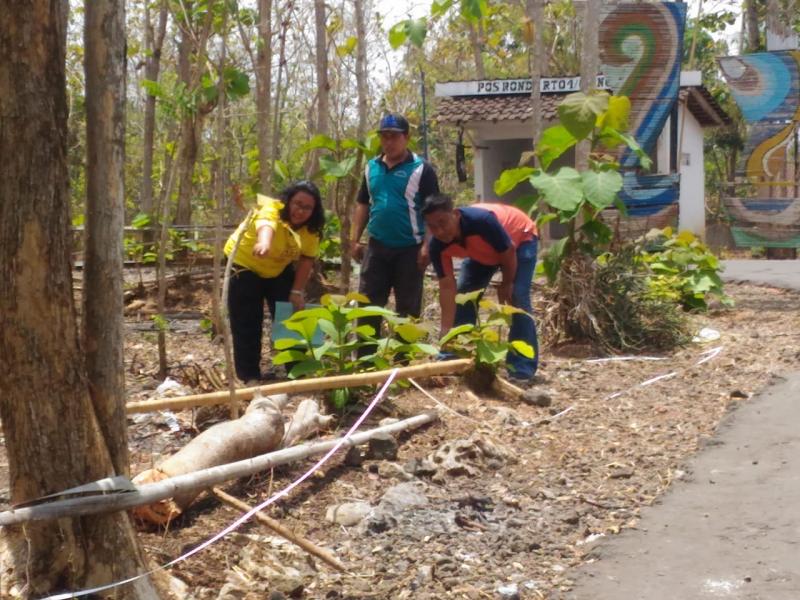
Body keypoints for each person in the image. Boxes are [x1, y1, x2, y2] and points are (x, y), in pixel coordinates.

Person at [422, 194, 539, 382]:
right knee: (464, 298)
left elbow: (507, 250)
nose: (440, 231)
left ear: (455, 215)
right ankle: (453, 356)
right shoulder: (437, 245)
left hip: (520, 238)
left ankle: (521, 368)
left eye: (443, 223)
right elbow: (446, 287)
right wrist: (445, 333)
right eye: (433, 227)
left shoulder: (481, 221)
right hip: (481, 254)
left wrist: (507, 283)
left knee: (517, 298)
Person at [224, 181, 325, 383]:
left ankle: (299, 370)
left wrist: (297, 291)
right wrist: (264, 242)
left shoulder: (311, 230)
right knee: (247, 320)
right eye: (297, 204)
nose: (300, 211)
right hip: (244, 265)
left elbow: (307, 258)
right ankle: (249, 376)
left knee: (291, 314)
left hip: (278, 268)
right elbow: (266, 225)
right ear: (288, 201)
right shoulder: (271, 208)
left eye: (307, 208)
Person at [351, 113, 440, 341]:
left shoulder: (422, 169)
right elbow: (363, 203)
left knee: (408, 309)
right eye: (384, 137)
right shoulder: (372, 168)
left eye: (394, 137)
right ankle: (366, 364)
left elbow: (433, 212)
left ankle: (403, 366)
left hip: (410, 249)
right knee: (368, 305)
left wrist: (427, 246)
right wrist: (354, 239)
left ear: (406, 138)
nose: (388, 142)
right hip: (377, 247)